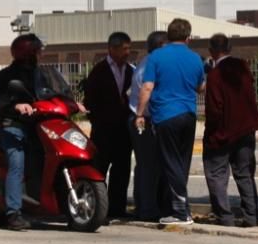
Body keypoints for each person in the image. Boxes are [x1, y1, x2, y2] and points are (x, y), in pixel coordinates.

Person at [0, 33, 84, 231]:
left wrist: (71, 102)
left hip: (38, 125)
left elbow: (53, 93)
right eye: (38, 51)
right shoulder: (7, 75)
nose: (41, 54)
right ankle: (13, 213)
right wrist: (16, 106)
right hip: (13, 126)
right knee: (17, 165)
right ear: (28, 53)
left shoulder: (41, 74)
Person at [135, 18, 205, 225]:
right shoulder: (195, 58)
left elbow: (147, 86)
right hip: (189, 114)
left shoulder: (157, 57)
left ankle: (180, 211)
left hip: (165, 114)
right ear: (188, 37)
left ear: (168, 36)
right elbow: (201, 87)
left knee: (169, 161)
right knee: (182, 161)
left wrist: (140, 113)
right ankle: (183, 208)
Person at [202, 33, 258, 227]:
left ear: (212, 51)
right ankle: (252, 216)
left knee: (216, 174)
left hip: (222, 132)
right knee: (244, 173)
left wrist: (211, 132)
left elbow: (214, 108)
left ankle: (225, 216)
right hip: (245, 128)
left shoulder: (215, 75)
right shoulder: (243, 67)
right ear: (229, 48)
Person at [81, 31, 134, 219]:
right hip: (103, 131)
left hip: (123, 131)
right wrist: (98, 120)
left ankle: (116, 209)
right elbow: (90, 101)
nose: (128, 52)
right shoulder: (100, 71)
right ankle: (97, 208)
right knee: (99, 169)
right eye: (124, 48)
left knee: (122, 170)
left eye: (129, 48)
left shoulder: (130, 70)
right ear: (112, 49)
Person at [126, 30, 168, 221]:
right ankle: (147, 209)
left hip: (144, 117)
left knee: (147, 166)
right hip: (143, 118)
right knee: (148, 166)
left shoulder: (149, 62)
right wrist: (141, 114)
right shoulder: (149, 64)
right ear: (160, 46)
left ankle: (146, 205)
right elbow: (147, 90)